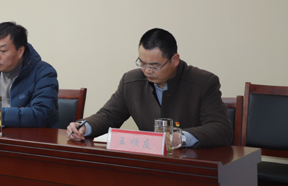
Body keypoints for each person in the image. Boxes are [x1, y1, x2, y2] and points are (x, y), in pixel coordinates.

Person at [67, 28, 233, 148]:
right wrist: (84, 126)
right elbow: (108, 115)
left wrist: (180, 138)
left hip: (193, 163)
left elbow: (221, 129)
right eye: (142, 63)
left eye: (154, 66)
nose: (147, 71)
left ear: (175, 60)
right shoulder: (131, 81)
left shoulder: (203, 82)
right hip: (149, 162)